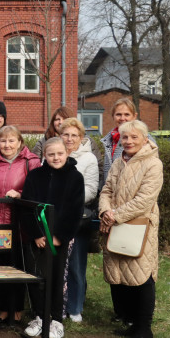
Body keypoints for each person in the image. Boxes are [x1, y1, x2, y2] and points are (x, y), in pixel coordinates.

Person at [99, 120, 163, 338]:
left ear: (145, 139)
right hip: (115, 224)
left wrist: (114, 215)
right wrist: (105, 210)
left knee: (142, 276)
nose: (129, 141)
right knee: (122, 273)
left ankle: (144, 329)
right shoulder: (118, 162)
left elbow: (145, 200)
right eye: (125, 137)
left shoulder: (153, 165)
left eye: (134, 137)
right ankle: (132, 323)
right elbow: (106, 189)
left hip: (141, 226)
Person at [20, 136, 85, 338]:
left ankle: (56, 319)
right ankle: (39, 316)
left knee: (57, 278)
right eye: (51, 154)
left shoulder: (75, 178)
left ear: (67, 153)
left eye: (59, 154)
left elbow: (75, 211)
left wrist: (59, 237)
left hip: (59, 239)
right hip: (38, 238)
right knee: (36, 276)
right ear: (44, 156)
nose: (56, 158)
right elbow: (27, 206)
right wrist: (37, 234)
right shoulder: (35, 176)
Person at [0, 125, 40, 327]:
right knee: (0, 269)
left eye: (11, 140)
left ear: (20, 142)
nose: (7, 145)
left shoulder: (31, 162)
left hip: (20, 224)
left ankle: (17, 310)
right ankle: (4, 309)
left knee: (18, 268)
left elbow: (37, 190)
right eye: (3, 141)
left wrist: (21, 194)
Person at [58, 117, 101, 323]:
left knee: (75, 264)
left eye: (74, 135)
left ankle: (75, 307)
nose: (69, 139)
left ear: (81, 138)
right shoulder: (54, 153)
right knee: (57, 263)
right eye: (65, 134)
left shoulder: (88, 159)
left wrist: (67, 198)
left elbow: (91, 190)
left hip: (76, 217)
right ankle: (58, 305)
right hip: (55, 216)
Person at [100, 98, 155, 184]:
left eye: (127, 114)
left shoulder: (144, 139)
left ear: (134, 116)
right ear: (113, 116)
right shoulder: (109, 140)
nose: (122, 118)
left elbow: (150, 172)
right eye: (118, 114)